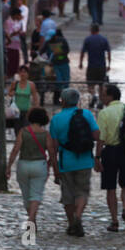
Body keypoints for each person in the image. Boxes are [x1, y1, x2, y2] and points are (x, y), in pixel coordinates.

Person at [48, 87, 101, 237]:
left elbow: (53, 147)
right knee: (82, 192)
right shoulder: (87, 114)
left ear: (62, 101)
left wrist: (54, 167)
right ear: (77, 101)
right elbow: (97, 135)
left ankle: (72, 223)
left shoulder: (57, 119)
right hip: (85, 160)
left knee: (68, 195)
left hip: (66, 161)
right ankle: (78, 216)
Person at [97, 84, 125, 232]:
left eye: (103, 94)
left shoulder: (104, 113)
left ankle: (114, 221)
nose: (101, 96)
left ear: (110, 96)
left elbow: (101, 138)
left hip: (111, 151)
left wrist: (97, 157)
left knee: (110, 187)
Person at [7, 106, 51, 235]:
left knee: (26, 196)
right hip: (40, 165)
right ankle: (32, 219)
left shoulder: (23, 131)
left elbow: (16, 149)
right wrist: (54, 166)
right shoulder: (45, 134)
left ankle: (32, 220)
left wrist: (9, 166)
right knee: (36, 194)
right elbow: (52, 152)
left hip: (23, 165)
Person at [79, 25, 111, 104]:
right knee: (101, 84)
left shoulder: (88, 39)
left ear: (91, 30)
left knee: (90, 84)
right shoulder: (104, 39)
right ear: (98, 30)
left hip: (91, 66)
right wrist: (109, 64)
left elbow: (83, 52)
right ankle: (100, 101)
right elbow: (109, 52)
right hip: (101, 66)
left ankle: (93, 96)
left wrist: (81, 63)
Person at [8, 68, 36, 135]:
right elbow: (9, 93)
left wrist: (33, 109)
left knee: (27, 131)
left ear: (28, 74)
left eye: (25, 72)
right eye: (21, 72)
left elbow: (35, 98)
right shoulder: (15, 83)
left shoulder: (31, 85)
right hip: (16, 112)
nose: (23, 74)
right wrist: (12, 93)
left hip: (27, 111)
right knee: (17, 130)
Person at [48, 29, 71, 104]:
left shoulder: (62, 40)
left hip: (63, 63)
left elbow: (67, 50)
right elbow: (44, 49)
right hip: (55, 64)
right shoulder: (49, 41)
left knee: (65, 82)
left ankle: (65, 99)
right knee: (58, 82)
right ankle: (58, 99)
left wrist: (59, 54)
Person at [4, 7, 25, 77]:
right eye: (19, 15)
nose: (19, 16)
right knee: (11, 62)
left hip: (16, 45)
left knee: (15, 62)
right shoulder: (8, 22)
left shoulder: (16, 22)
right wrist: (16, 32)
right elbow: (8, 34)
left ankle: (13, 75)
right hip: (10, 45)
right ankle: (9, 76)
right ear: (15, 15)